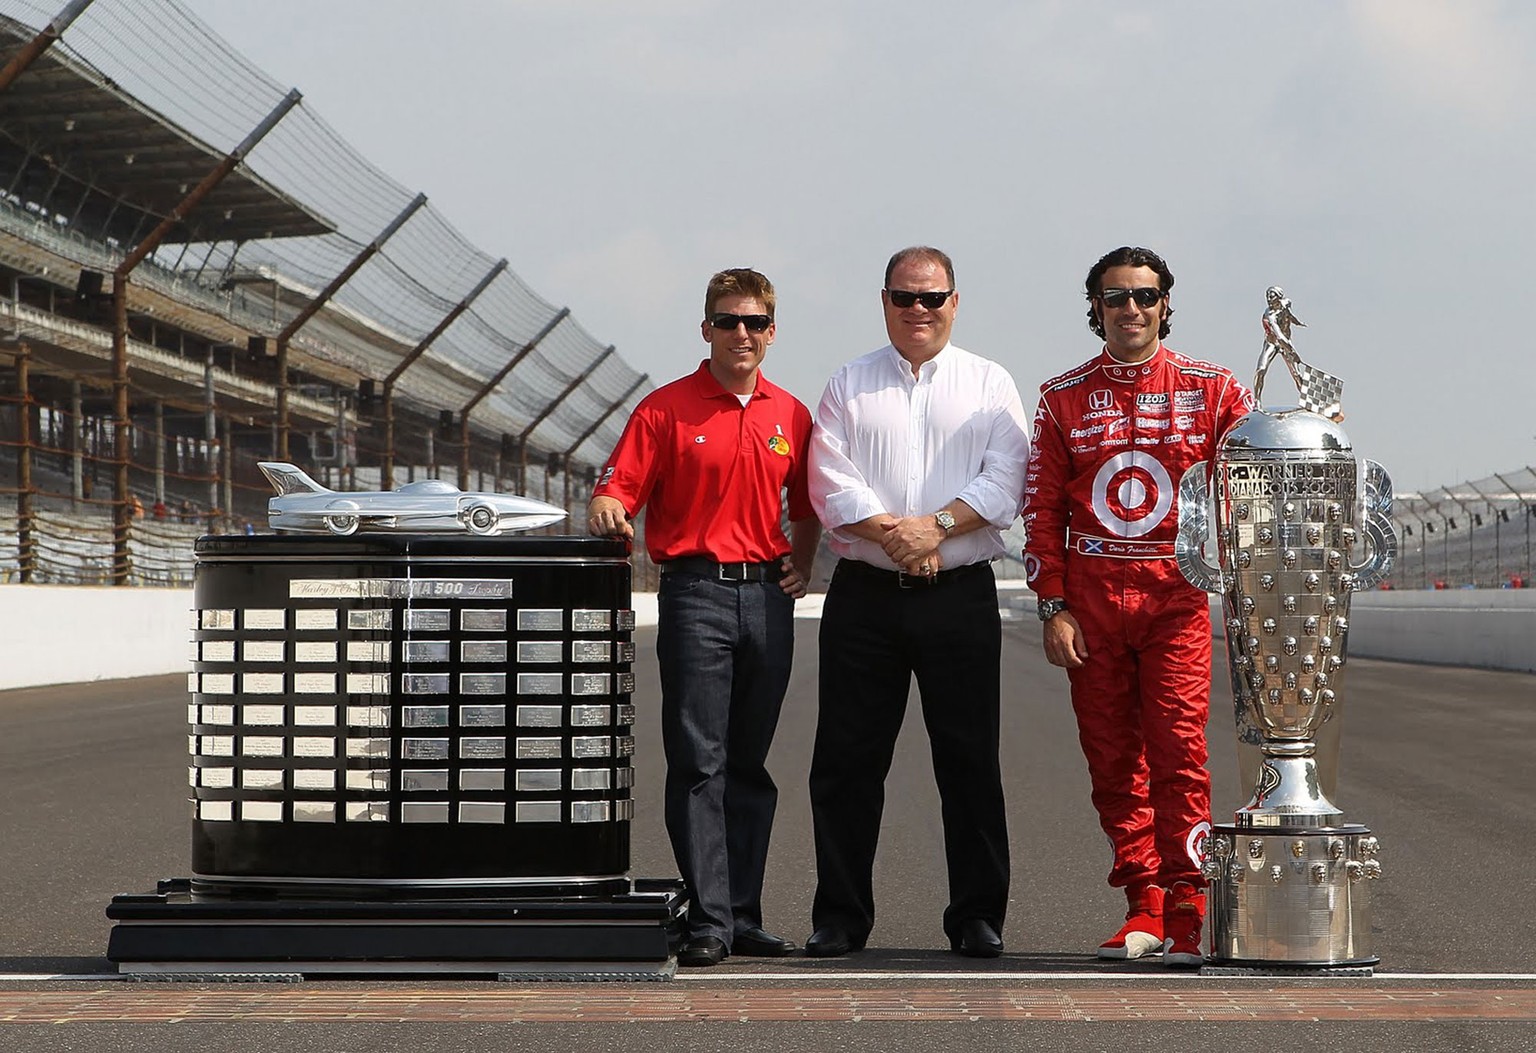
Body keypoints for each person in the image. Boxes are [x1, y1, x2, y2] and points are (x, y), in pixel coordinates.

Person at [1021, 245, 1254, 968]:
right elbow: (1040, 510)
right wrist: (1052, 604)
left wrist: (1314, 433)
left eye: (1144, 296)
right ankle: (1143, 905)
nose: (1131, 310)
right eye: (1116, 298)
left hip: (1175, 598)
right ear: (1095, 308)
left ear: (1164, 304)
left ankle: (1189, 909)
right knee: (1114, 763)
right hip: (1090, 604)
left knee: (1181, 756)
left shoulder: (1213, 388)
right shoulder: (1061, 397)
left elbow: (1258, 467)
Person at [587, 268, 820, 968]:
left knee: (749, 762)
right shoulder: (665, 410)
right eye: (728, 320)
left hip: (768, 600)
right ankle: (709, 917)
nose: (741, 333)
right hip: (695, 593)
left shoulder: (791, 414)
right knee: (699, 761)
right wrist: (607, 506)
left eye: (754, 322)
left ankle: (742, 913)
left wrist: (801, 566)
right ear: (706, 329)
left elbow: (807, 507)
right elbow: (617, 489)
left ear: (772, 332)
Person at [804, 246, 1030, 959]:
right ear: (884, 302)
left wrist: (935, 525)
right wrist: (897, 534)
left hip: (957, 595)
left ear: (955, 303)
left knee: (968, 761)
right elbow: (829, 482)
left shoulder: (990, 382)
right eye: (905, 298)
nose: (919, 311)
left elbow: (1008, 481)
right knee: (845, 762)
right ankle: (840, 916)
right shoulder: (849, 383)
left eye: (932, 298)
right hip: (865, 597)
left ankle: (976, 915)